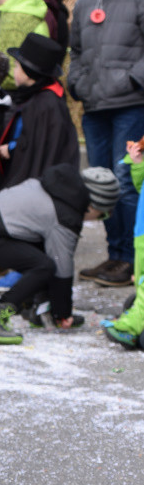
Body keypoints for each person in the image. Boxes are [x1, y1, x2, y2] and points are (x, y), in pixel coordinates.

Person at [0, 167, 119, 344]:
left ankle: (39, 310)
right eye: (102, 215)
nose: (97, 219)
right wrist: (63, 313)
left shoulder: (58, 188)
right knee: (43, 266)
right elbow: (63, 267)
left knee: (42, 258)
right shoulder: (66, 215)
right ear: (93, 205)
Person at [68, 0, 144, 289]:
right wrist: (78, 83)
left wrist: (130, 80)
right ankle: (114, 256)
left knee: (126, 181)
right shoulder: (85, 2)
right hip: (95, 106)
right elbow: (77, 51)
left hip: (130, 104)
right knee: (103, 185)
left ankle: (130, 260)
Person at [0, 33, 79, 189]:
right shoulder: (37, 97)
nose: (13, 71)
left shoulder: (44, 105)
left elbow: (39, 147)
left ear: (28, 73)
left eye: (16, 66)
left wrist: (12, 148)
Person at [101, 140, 144, 349]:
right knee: (140, 278)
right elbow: (140, 186)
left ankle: (129, 327)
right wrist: (138, 164)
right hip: (141, 233)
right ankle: (135, 317)